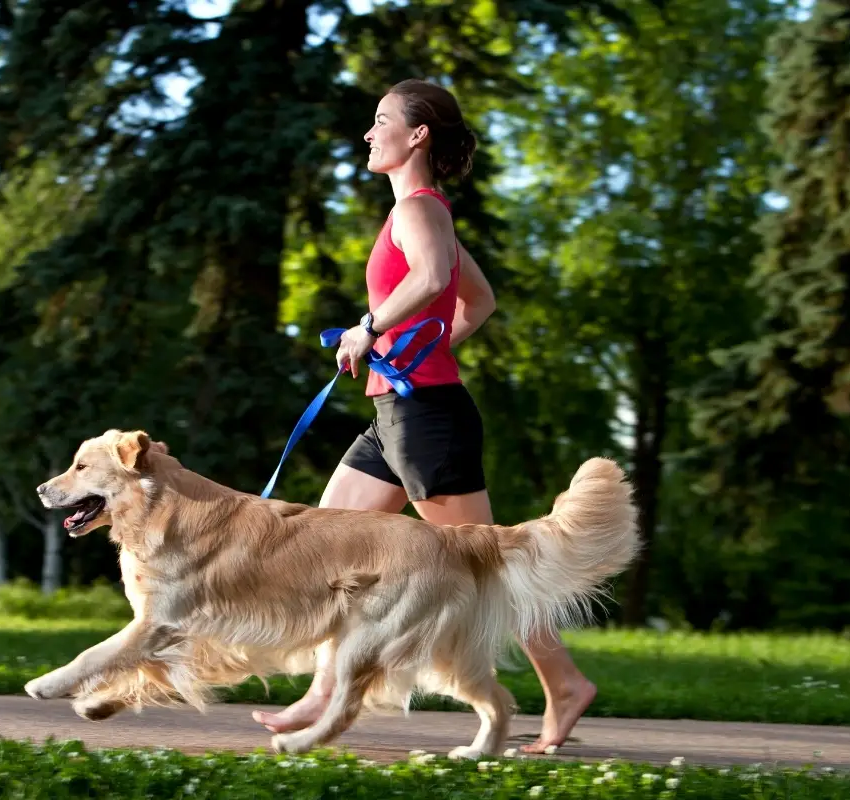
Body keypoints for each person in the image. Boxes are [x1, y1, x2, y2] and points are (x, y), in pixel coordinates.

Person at [250, 78, 597, 754]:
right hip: (398, 416)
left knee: (490, 568)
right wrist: (409, 355)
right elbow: (478, 302)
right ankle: (325, 692)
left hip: (429, 422)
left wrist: (369, 328)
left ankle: (566, 684)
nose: (367, 133)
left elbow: (436, 278)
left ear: (418, 136)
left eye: (381, 121)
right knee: (326, 547)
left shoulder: (417, 211)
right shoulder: (423, 211)